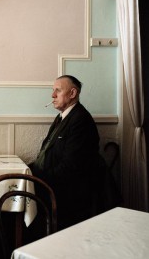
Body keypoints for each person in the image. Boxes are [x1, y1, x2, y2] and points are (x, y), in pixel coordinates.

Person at [30, 75, 101, 230]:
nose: (52, 95)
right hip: (52, 184)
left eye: (58, 90)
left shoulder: (80, 120)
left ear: (72, 93)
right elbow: (47, 152)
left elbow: (71, 168)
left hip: (68, 195)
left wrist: (38, 180)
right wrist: (29, 171)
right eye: (52, 90)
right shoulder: (62, 117)